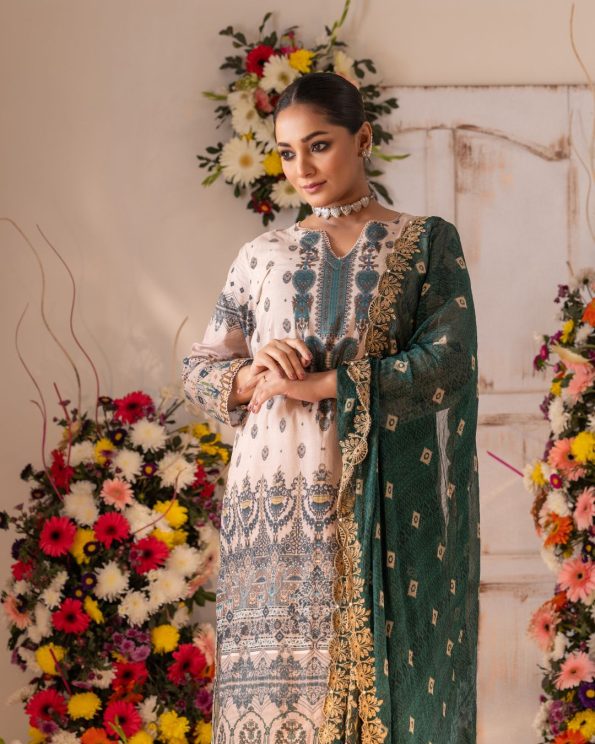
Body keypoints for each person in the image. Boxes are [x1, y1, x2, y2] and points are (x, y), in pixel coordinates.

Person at [182, 71, 480, 744]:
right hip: (274, 505)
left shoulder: (425, 241)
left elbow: (449, 362)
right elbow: (201, 369)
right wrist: (253, 371)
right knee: (284, 694)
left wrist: (324, 384)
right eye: (287, 153)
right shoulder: (261, 255)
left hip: (383, 503)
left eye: (319, 145)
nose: (303, 169)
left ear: (362, 138)